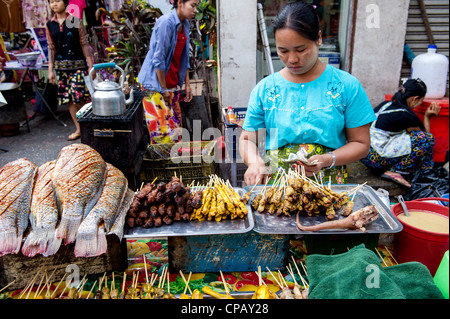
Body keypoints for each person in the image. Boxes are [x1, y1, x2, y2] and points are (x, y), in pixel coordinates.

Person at [239, 1, 376, 186]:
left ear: (318, 38)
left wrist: (327, 159)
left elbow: (361, 144)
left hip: (329, 188)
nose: (292, 59)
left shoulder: (346, 86)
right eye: (283, 51)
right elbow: (248, 140)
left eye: (301, 49)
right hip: (275, 188)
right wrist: (254, 162)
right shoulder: (265, 89)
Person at [360, 78, 440, 188]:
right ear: (414, 99)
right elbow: (424, 140)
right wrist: (427, 116)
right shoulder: (405, 115)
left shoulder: (385, 104)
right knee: (427, 139)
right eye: (421, 101)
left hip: (365, 154)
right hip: (377, 159)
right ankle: (396, 171)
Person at [138, 0, 197, 144]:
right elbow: (159, 60)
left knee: (176, 133)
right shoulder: (166, 23)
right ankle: (161, 167)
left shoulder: (185, 24)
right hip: (154, 86)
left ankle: (173, 166)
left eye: (197, 6)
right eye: (193, 5)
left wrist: (187, 85)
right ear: (180, 3)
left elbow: (184, 59)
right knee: (163, 136)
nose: (195, 10)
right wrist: (163, 89)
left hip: (171, 84)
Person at [46, 0, 94, 141]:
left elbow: (84, 43)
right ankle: (79, 129)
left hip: (78, 66)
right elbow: (51, 47)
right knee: (70, 100)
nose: (54, 4)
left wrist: (91, 65)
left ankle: (90, 126)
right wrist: (50, 70)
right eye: (51, 2)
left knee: (80, 96)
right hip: (61, 69)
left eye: (57, 1)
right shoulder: (50, 25)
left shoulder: (74, 21)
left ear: (65, 3)